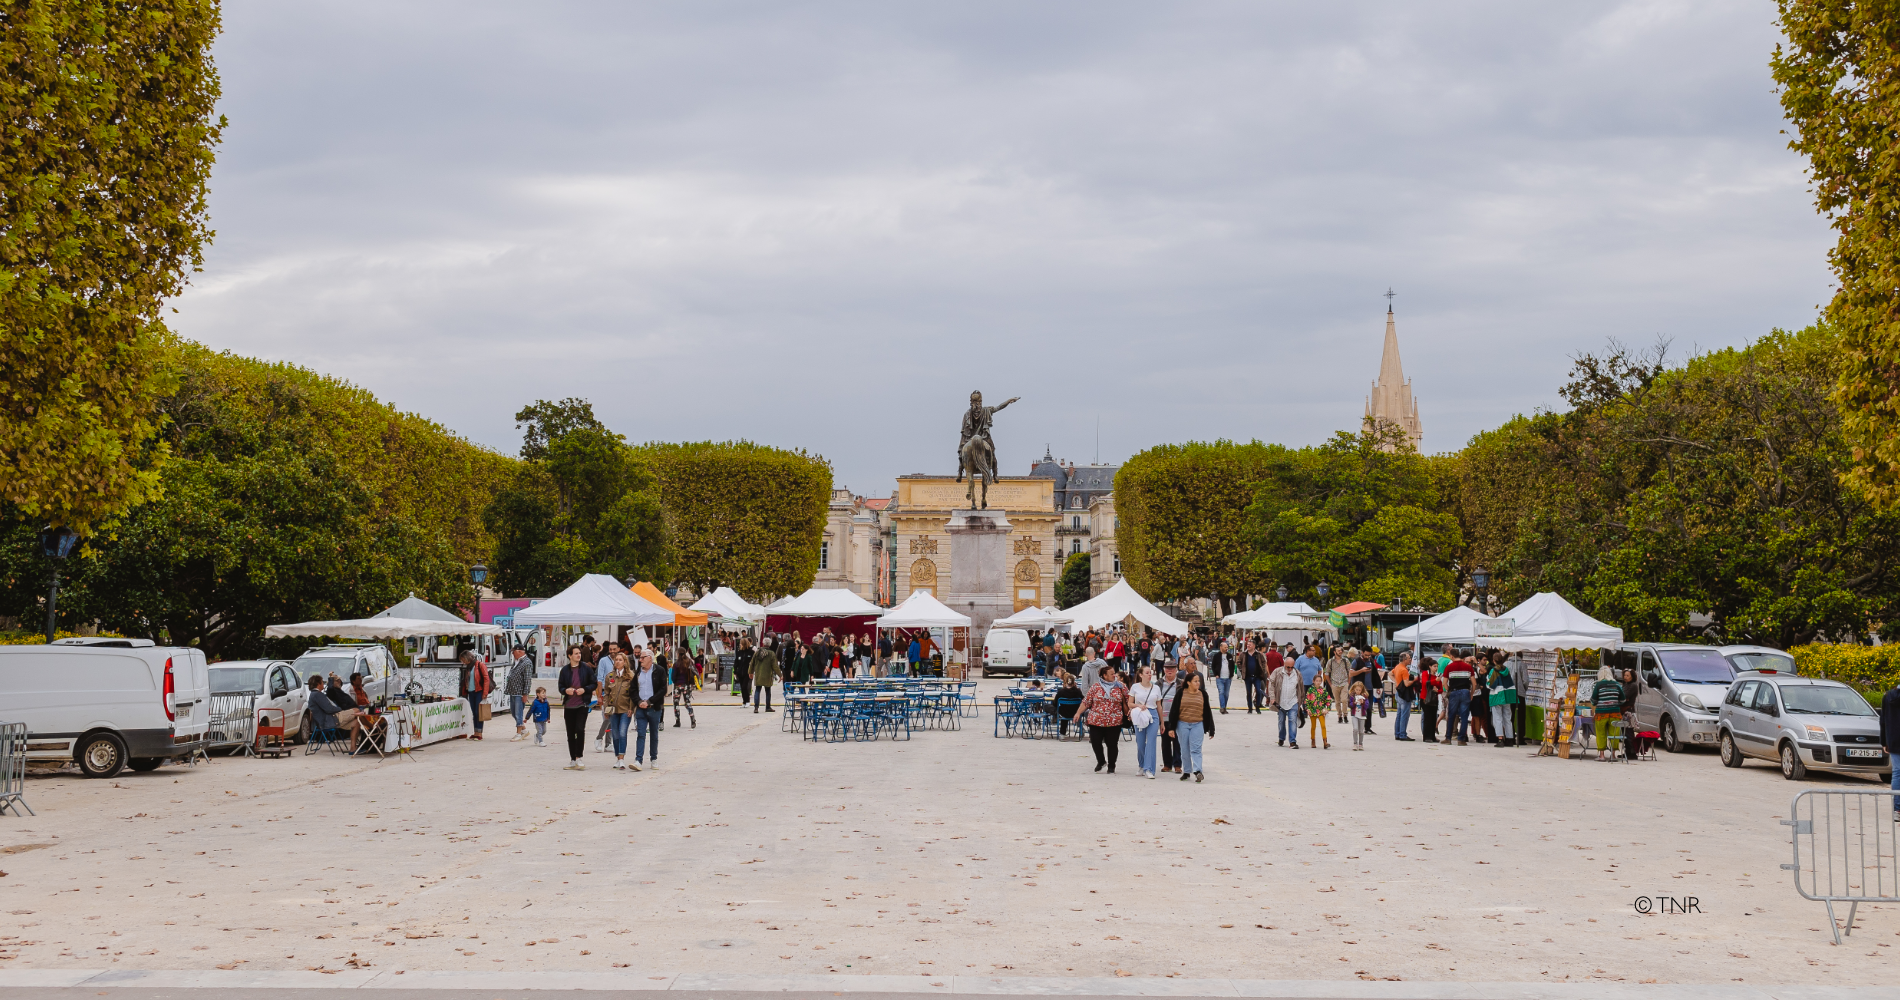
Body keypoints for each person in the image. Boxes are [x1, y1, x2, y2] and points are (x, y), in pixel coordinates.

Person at [1079, 663, 1128, 774]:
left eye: (1114, 673)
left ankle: (1111, 765)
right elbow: (1086, 701)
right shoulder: (1096, 687)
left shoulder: (1120, 686)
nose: (1114, 675)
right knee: (1095, 742)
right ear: (1104, 676)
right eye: (1111, 674)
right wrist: (1078, 713)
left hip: (1114, 721)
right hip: (1096, 720)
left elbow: (1129, 699)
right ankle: (1101, 761)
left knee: (1112, 744)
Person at [1167, 671, 1214, 782]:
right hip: (1182, 724)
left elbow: (1207, 711)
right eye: (1195, 681)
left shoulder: (1203, 694)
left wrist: (1211, 729)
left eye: (1199, 681)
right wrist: (1171, 728)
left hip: (1198, 724)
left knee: (1196, 748)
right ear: (1188, 682)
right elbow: (1174, 710)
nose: (1198, 683)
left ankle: (1198, 771)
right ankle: (1187, 771)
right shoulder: (1181, 693)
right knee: (1184, 749)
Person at [558, 646, 597, 770]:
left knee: (579, 729)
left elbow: (594, 683)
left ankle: (579, 757)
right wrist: (566, 690)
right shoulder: (564, 670)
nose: (578, 655)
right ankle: (572, 759)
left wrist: (584, 689)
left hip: (582, 704)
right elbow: (560, 686)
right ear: (570, 655)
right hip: (569, 705)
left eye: (579, 653)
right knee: (570, 732)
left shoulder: (586, 668)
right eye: (576, 653)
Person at [305, 675, 363, 749]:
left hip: (330, 719)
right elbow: (328, 709)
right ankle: (372, 728)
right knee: (357, 710)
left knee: (356, 723)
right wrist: (339, 709)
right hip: (331, 720)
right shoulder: (317, 695)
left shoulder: (314, 695)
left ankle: (353, 747)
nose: (323, 684)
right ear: (318, 684)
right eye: (322, 682)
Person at [634, 647, 667, 769]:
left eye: (642, 657)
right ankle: (638, 760)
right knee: (640, 734)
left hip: (654, 708)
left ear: (650, 658)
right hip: (641, 708)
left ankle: (654, 758)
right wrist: (638, 702)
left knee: (654, 734)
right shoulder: (638, 672)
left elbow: (663, 689)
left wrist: (649, 701)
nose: (640, 659)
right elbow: (633, 689)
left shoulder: (659, 670)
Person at [601, 651, 635, 769]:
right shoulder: (610, 676)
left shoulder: (630, 676)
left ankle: (622, 758)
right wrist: (606, 708)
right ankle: (617, 757)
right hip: (613, 710)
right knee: (615, 734)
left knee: (622, 732)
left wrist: (631, 708)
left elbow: (633, 694)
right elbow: (606, 693)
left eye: (620, 660)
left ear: (625, 662)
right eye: (616, 660)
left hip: (625, 709)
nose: (618, 662)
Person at [1129, 665, 1162, 779]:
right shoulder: (1135, 687)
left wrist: (1162, 722)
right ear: (1141, 675)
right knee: (1140, 742)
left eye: (1150, 672)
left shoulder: (1156, 688)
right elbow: (1130, 703)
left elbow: (1159, 706)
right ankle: (1142, 765)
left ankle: (1149, 769)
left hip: (1152, 714)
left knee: (1151, 742)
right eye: (1147, 673)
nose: (1149, 674)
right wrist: (1138, 705)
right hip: (1140, 714)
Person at [1588, 664, 1624, 761]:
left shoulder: (1598, 685)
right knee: (1614, 733)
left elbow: (1593, 701)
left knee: (1601, 733)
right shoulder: (1617, 685)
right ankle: (1613, 755)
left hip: (1601, 714)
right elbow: (1623, 699)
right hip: (1615, 713)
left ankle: (1602, 755)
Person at [1443, 650, 1476, 746]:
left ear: (1452, 657)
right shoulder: (1468, 667)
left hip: (1454, 691)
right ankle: (1461, 739)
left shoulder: (1449, 667)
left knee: (1451, 716)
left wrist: (1449, 690)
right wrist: (1471, 693)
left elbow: (1444, 683)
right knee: (1464, 717)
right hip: (1465, 691)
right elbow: (1474, 683)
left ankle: (1448, 738)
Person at [1272, 654, 1303, 749]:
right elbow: (1271, 684)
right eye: (1287, 667)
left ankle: (1292, 742)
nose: (1289, 669)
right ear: (1284, 664)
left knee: (1292, 720)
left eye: (1291, 667)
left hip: (1293, 701)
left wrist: (1301, 701)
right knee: (1281, 721)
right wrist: (1272, 697)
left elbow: (1301, 688)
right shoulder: (1277, 672)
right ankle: (1281, 738)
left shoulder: (1297, 674)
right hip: (1281, 702)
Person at [460, 651, 492, 740]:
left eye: (463, 660)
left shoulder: (480, 665)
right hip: (471, 691)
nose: (463, 662)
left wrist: (485, 693)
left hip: (479, 691)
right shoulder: (468, 667)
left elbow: (486, 679)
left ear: (467, 658)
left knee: (479, 713)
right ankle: (475, 732)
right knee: (474, 712)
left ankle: (479, 733)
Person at [505, 644, 534, 741]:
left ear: (519, 651)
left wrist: (525, 694)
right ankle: (524, 730)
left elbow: (527, 680)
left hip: (520, 692)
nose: (512, 654)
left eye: (513, 652)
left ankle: (518, 733)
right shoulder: (516, 661)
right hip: (513, 691)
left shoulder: (527, 663)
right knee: (514, 712)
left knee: (518, 712)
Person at [1489, 656, 1520, 748]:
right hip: (1508, 695)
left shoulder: (1494, 670)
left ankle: (1500, 739)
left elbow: (1490, 685)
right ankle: (1510, 739)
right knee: (1507, 717)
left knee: (1497, 718)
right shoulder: (1506, 669)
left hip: (1497, 695)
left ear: (1494, 661)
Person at [1157, 661, 1182, 773]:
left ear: (1176, 670)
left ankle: (1177, 764)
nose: (1170, 670)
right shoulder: (1158, 683)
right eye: (1167, 668)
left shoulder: (1181, 683)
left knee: (1177, 742)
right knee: (1165, 742)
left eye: (1172, 668)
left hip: (1177, 718)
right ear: (1164, 669)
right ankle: (1167, 764)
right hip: (1163, 717)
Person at [1880, 680, 1900, 818]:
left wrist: (1884, 741)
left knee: (1897, 773)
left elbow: (1883, 720)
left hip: (1894, 740)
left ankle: (1897, 810)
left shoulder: (1888, 696)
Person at [1391, 652, 1417, 741]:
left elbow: (1390, 674)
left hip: (1399, 692)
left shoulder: (1398, 667)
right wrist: (1414, 680)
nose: (1410, 660)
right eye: (1409, 658)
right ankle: (1402, 734)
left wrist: (1396, 683)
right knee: (1404, 714)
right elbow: (1406, 684)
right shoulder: (1404, 670)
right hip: (1404, 693)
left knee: (1399, 714)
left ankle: (1397, 733)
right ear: (1404, 659)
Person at [1305, 671, 1333, 749]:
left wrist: (1327, 708)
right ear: (1313, 681)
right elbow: (1307, 700)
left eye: (1319, 681)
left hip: (1321, 711)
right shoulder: (1310, 690)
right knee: (1313, 726)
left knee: (1323, 725)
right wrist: (1308, 709)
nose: (1318, 682)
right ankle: (1313, 740)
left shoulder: (1323, 690)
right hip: (1313, 710)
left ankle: (1325, 741)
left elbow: (1328, 699)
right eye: (1316, 681)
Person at [751, 637, 780, 713]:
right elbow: (775, 666)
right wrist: (780, 675)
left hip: (759, 674)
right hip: (767, 675)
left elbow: (752, 663)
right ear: (770, 644)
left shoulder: (757, 652)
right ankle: (767, 707)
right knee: (768, 691)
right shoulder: (771, 654)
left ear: (763, 643)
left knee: (757, 690)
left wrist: (750, 672)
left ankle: (756, 707)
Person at [1419, 656, 1444, 743]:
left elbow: (1441, 688)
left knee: (1433, 718)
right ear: (1430, 666)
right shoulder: (1426, 673)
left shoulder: (1437, 675)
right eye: (1434, 666)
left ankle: (1432, 736)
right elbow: (1426, 683)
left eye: (1437, 666)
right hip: (1425, 698)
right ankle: (1427, 736)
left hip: (1434, 699)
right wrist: (1435, 681)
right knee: (1427, 718)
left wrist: (1438, 690)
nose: (1436, 668)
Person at [672, 648, 697, 729]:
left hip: (678, 685)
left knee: (676, 703)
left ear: (678, 654)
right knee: (687, 703)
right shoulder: (689, 662)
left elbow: (673, 676)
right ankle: (692, 720)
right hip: (687, 685)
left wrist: (675, 682)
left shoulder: (676, 664)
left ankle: (677, 721)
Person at [1053, 673, 1084, 737]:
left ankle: (1062, 734)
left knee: (1063, 711)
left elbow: (1055, 703)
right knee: (1069, 709)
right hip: (1076, 713)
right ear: (1074, 682)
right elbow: (1083, 701)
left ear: (1066, 682)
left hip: (1064, 712)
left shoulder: (1061, 692)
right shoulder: (1078, 691)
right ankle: (1081, 730)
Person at [1210, 639, 1236, 715]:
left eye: (1227, 647)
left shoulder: (1229, 656)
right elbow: (1213, 665)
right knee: (1221, 692)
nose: (1226, 648)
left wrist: (1232, 675)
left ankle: (1224, 707)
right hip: (1220, 677)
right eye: (1225, 647)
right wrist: (1216, 674)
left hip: (1228, 678)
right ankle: (1222, 707)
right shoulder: (1216, 656)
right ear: (1221, 647)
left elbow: (1232, 665)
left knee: (1226, 693)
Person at [1328, 647, 1352, 724]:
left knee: (1344, 700)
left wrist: (1348, 682)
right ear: (1334, 652)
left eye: (1341, 650)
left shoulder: (1346, 661)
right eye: (1338, 650)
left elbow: (1350, 671)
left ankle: (1345, 714)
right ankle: (1339, 715)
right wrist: (1330, 684)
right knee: (1337, 701)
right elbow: (1326, 673)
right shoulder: (1330, 661)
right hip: (1334, 683)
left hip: (1344, 682)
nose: (1340, 652)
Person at [1347, 681, 1369, 750]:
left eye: (1359, 690)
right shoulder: (1352, 696)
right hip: (1354, 714)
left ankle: (1360, 744)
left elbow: (1367, 706)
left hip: (1362, 715)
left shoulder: (1364, 696)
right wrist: (1354, 703)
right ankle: (1355, 743)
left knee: (1361, 730)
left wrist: (1363, 702)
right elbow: (1349, 705)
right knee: (1355, 729)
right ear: (1354, 689)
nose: (1358, 691)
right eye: (1357, 690)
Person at [734, 637, 755, 708]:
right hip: (740, 672)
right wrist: (735, 671)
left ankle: (747, 701)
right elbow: (736, 662)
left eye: (741, 644)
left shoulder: (751, 652)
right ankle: (744, 701)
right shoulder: (739, 652)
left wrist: (752, 671)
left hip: (747, 672)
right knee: (742, 687)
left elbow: (753, 662)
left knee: (745, 686)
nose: (740, 645)